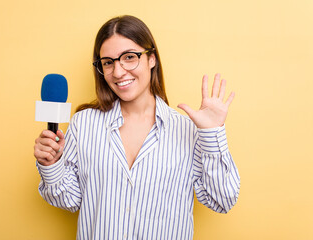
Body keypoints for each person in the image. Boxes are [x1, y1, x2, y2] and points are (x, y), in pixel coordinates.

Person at [34, 15, 240, 239]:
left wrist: (211, 134)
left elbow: (223, 200)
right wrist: (51, 164)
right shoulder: (84, 124)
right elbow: (69, 200)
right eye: (108, 62)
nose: (119, 72)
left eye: (129, 57)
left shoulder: (188, 130)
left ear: (152, 58)